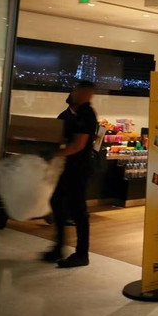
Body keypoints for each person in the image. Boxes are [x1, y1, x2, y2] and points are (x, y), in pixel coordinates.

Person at [42, 81, 98, 268]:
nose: (75, 94)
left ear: (87, 94)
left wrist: (53, 154)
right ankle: (59, 247)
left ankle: (81, 254)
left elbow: (78, 145)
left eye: (79, 91)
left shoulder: (86, 115)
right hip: (71, 167)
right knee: (57, 202)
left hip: (80, 168)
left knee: (78, 211)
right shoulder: (71, 114)